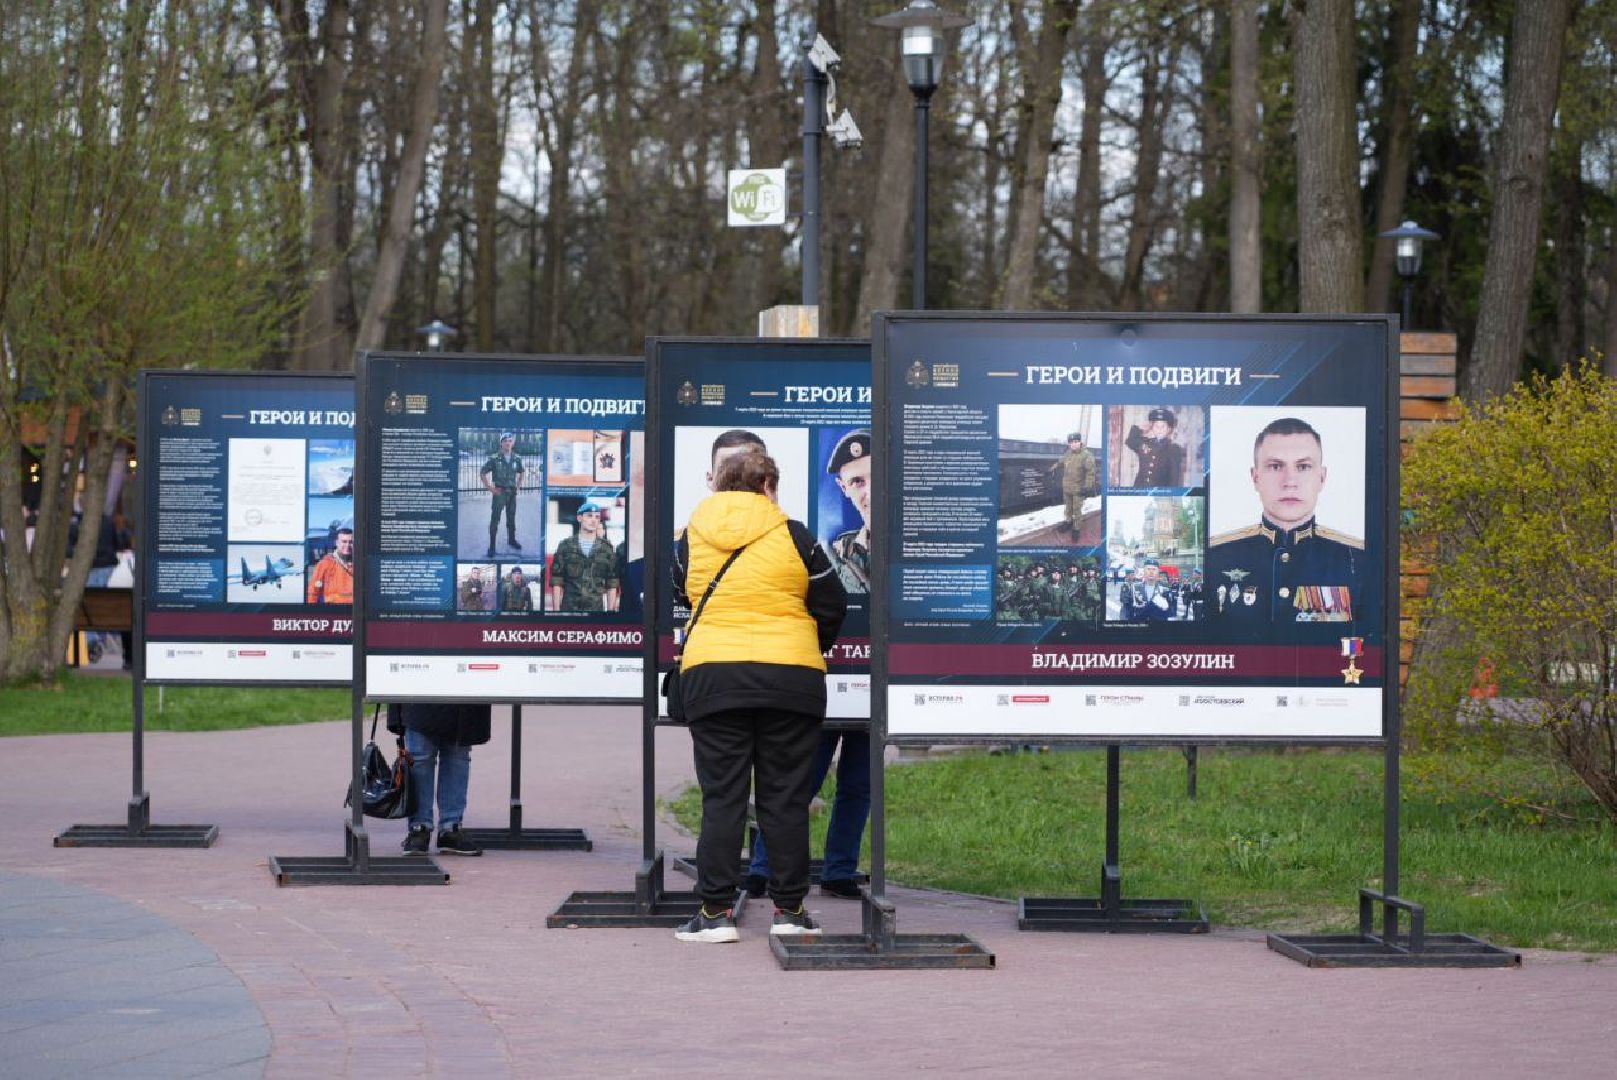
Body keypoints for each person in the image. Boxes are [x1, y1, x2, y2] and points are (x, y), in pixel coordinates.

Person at [670, 448, 847, 943]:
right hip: (790, 680)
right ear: (769, 485)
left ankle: (714, 914)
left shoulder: (689, 539)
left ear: (718, 484)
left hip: (713, 678)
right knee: (785, 798)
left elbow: (682, 595)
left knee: (721, 796)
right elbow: (832, 601)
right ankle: (789, 912)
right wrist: (808, 643)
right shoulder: (795, 536)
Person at [1205, 417, 1364, 623]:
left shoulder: (1356, 559)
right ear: (1256, 477)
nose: (1290, 482)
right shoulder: (1216, 557)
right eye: (1275, 466)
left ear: (1322, 477)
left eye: (1303, 466)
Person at [387, 702, 491, 856]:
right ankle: (420, 827)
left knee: (455, 758)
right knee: (421, 757)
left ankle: (449, 828)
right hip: (420, 692)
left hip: (461, 695)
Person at [548, 499, 619, 611]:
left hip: (596, 611)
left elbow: (612, 583)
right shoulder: (566, 546)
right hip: (570, 609)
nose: (593, 520)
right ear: (579, 518)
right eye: (589, 516)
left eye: (597, 517)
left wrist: (610, 613)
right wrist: (556, 612)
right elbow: (557, 580)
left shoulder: (607, 549)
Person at [824, 430, 872, 593]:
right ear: (844, 488)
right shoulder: (835, 554)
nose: (871, 493)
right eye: (857, 481)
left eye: (878, 477)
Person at [481, 432, 525, 558]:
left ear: (513, 443)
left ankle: (512, 540)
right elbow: (482, 472)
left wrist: (518, 486)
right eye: (505, 440)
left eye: (510, 440)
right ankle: (492, 546)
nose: (507, 443)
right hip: (499, 493)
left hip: (512, 493)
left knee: (511, 519)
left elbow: (521, 472)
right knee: (495, 519)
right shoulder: (495, 458)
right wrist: (490, 488)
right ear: (501, 443)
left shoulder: (517, 458)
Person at [1048, 431, 1098, 535]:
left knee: (1077, 510)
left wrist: (1087, 487)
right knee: (1068, 508)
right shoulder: (1068, 453)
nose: (1073, 444)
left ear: (1080, 442)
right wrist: (1053, 468)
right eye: (1071, 442)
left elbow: (1091, 473)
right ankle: (1068, 522)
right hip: (1067, 488)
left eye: (1076, 441)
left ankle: (1076, 528)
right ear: (1069, 444)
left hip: (1078, 489)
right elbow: (1061, 461)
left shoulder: (1087, 456)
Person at [1124, 407, 1186, 487]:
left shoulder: (1173, 449)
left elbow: (1174, 479)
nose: (1159, 429)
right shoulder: (1146, 443)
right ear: (1152, 428)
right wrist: (1142, 429)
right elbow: (1130, 441)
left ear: (1169, 429)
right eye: (1156, 426)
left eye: (1163, 426)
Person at [306, 526, 354, 604]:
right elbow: (313, 592)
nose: (347, 545)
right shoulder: (325, 564)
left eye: (351, 542)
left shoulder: (360, 564)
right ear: (337, 542)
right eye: (344, 541)